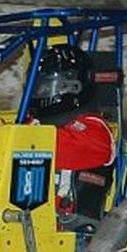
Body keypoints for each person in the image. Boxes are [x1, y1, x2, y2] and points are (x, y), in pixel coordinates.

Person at [26, 44, 116, 227]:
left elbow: (50, 148)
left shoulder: (96, 132)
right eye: (36, 87)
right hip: (33, 223)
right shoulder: (35, 123)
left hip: (74, 232)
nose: (39, 93)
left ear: (73, 86)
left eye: (44, 86)